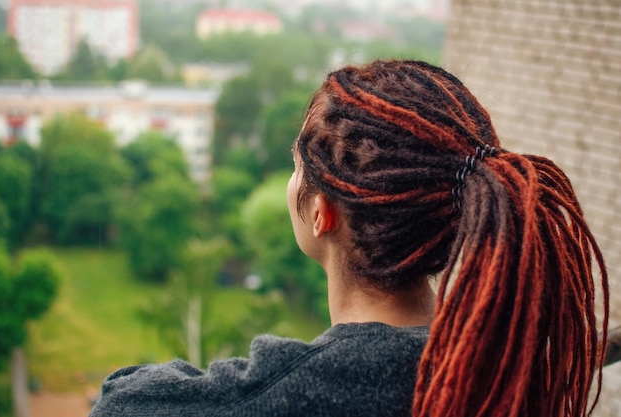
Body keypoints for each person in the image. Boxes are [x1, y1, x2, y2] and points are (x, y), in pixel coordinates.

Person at [89, 59, 609, 417]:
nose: (291, 179)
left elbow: (119, 402)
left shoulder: (292, 393)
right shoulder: (506, 362)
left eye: (296, 167)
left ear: (321, 215)